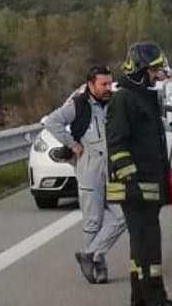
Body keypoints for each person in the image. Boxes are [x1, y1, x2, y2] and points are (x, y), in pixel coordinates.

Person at [107, 41, 172, 306]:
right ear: (139, 70)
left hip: (146, 184)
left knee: (140, 243)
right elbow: (117, 144)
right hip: (136, 186)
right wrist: (131, 180)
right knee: (149, 244)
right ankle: (156, 300)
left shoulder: (143, 97)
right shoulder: (125, 99)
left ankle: (139, 296)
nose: (158, 74)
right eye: (154, 69)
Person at [41, 64, 126, 284]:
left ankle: (90, 255)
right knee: (93, 221)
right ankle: (98, 266)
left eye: (110, 83)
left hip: (113, 168)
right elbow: (51, 122)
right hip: (90, 167)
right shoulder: (78, 105)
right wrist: (72, 144)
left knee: (122, 216)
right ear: (91, 84)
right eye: (103, 84)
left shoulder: (115, 103)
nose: (108, 88)